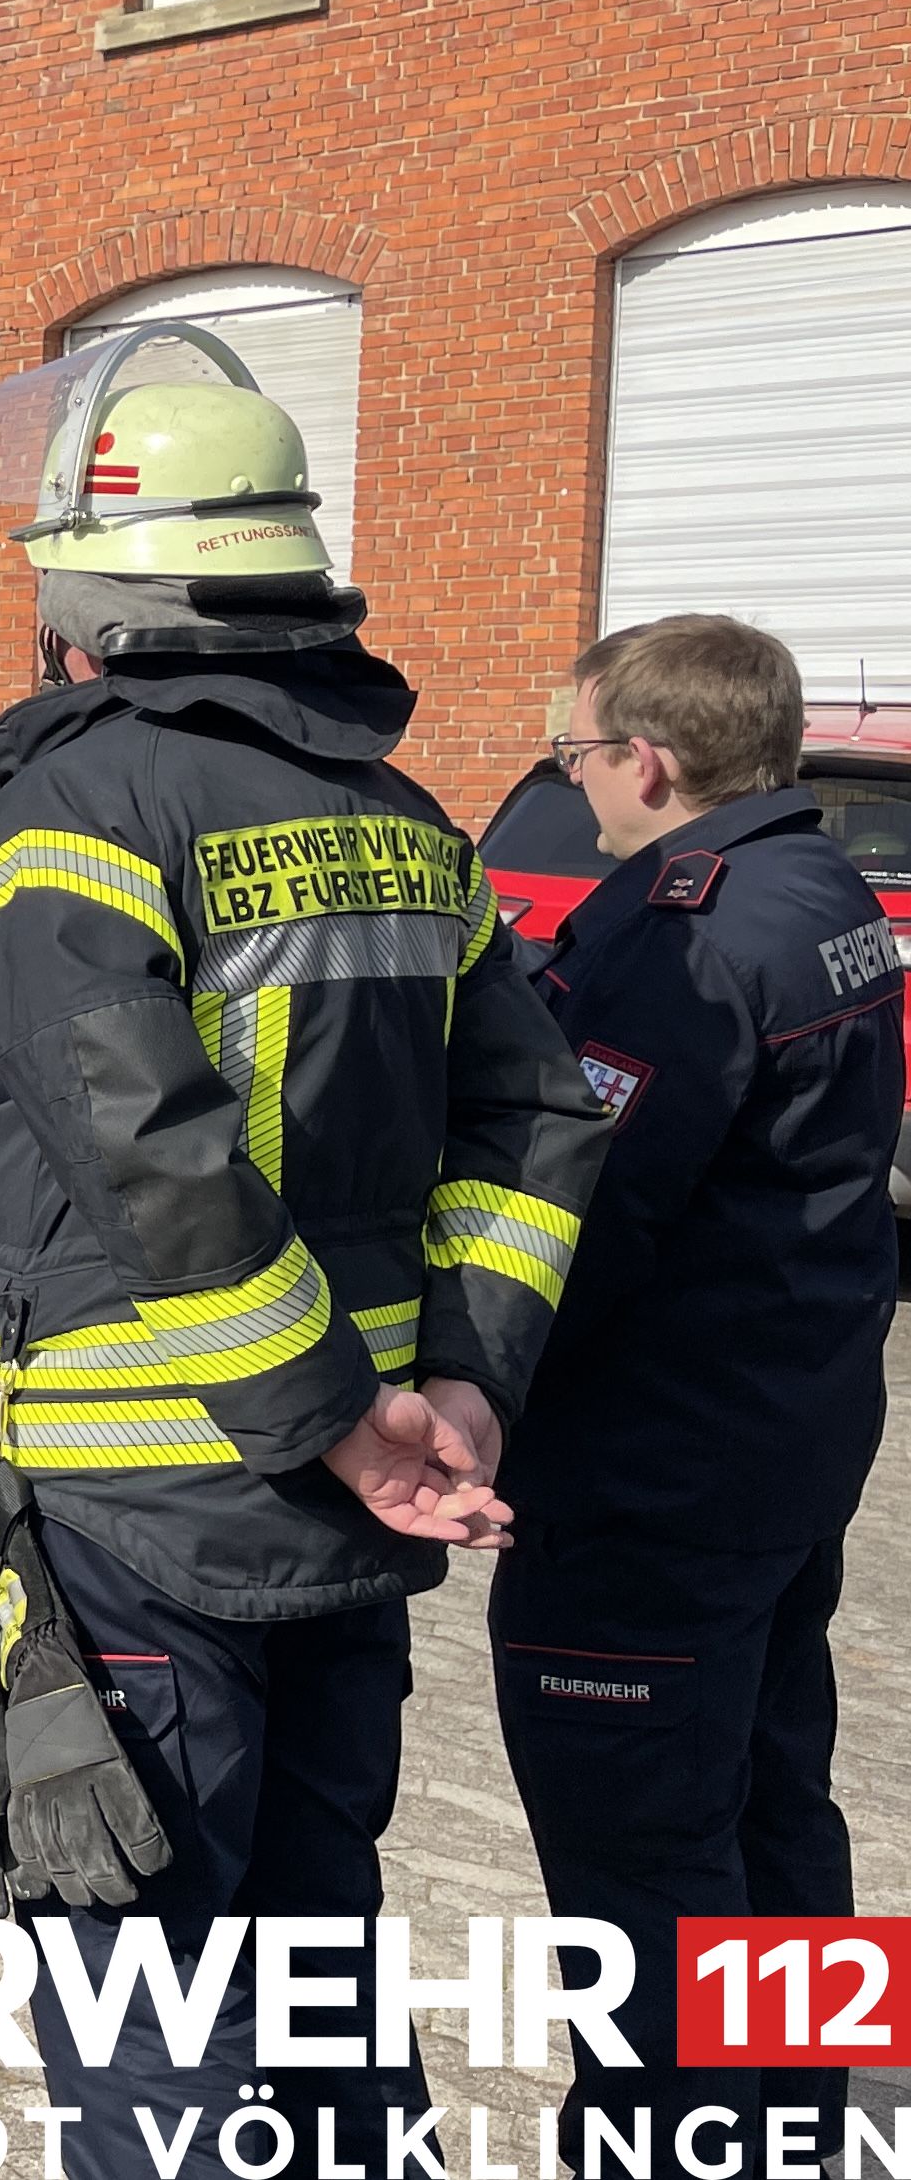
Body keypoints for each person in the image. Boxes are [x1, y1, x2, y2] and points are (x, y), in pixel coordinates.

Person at [0, 329, 605, 2172]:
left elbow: (143, 1148)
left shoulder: (81, 805)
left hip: (151, 1513)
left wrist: (343, 1420)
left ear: (90, 598)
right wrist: (460, 1384)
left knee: (148, 2011)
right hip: (354, 1517)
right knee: (318, 1963)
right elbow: (537, 1123)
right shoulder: (404, 817)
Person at [495, 614, 898, 2166]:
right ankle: (793, 2123)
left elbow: (581, 1221)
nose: (575, 782)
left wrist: (461, 1393)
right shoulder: (822, 883)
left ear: (648, 760)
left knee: (645, 1860)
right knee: (777, 1808)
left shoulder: (690, 935)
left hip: (649, 1483)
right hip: (782, 1449)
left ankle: (673, 2142)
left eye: (577, 754)